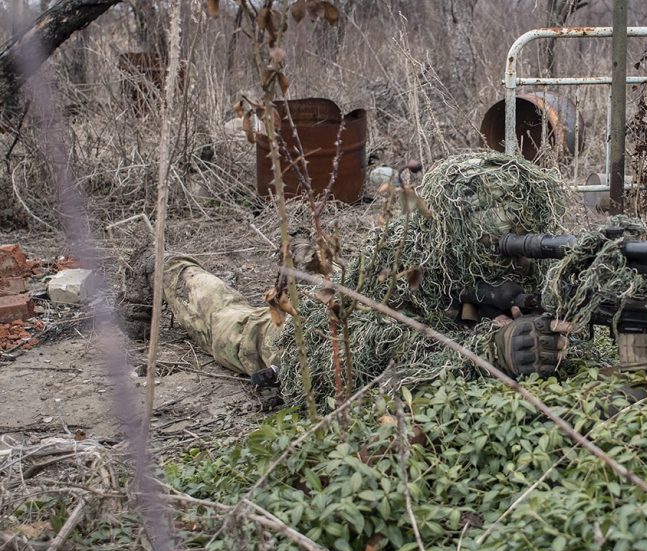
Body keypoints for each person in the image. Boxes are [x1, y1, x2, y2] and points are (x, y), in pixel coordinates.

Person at [123, 152, 577, 411]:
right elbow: (371, 357)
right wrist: (490, 350)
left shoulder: (522, 269)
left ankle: (299, 260)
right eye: (487, 243)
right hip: (312, 331)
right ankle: (163, 265)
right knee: (231, 325)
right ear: (451, 235)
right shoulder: (409, 261)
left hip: (343, 291)